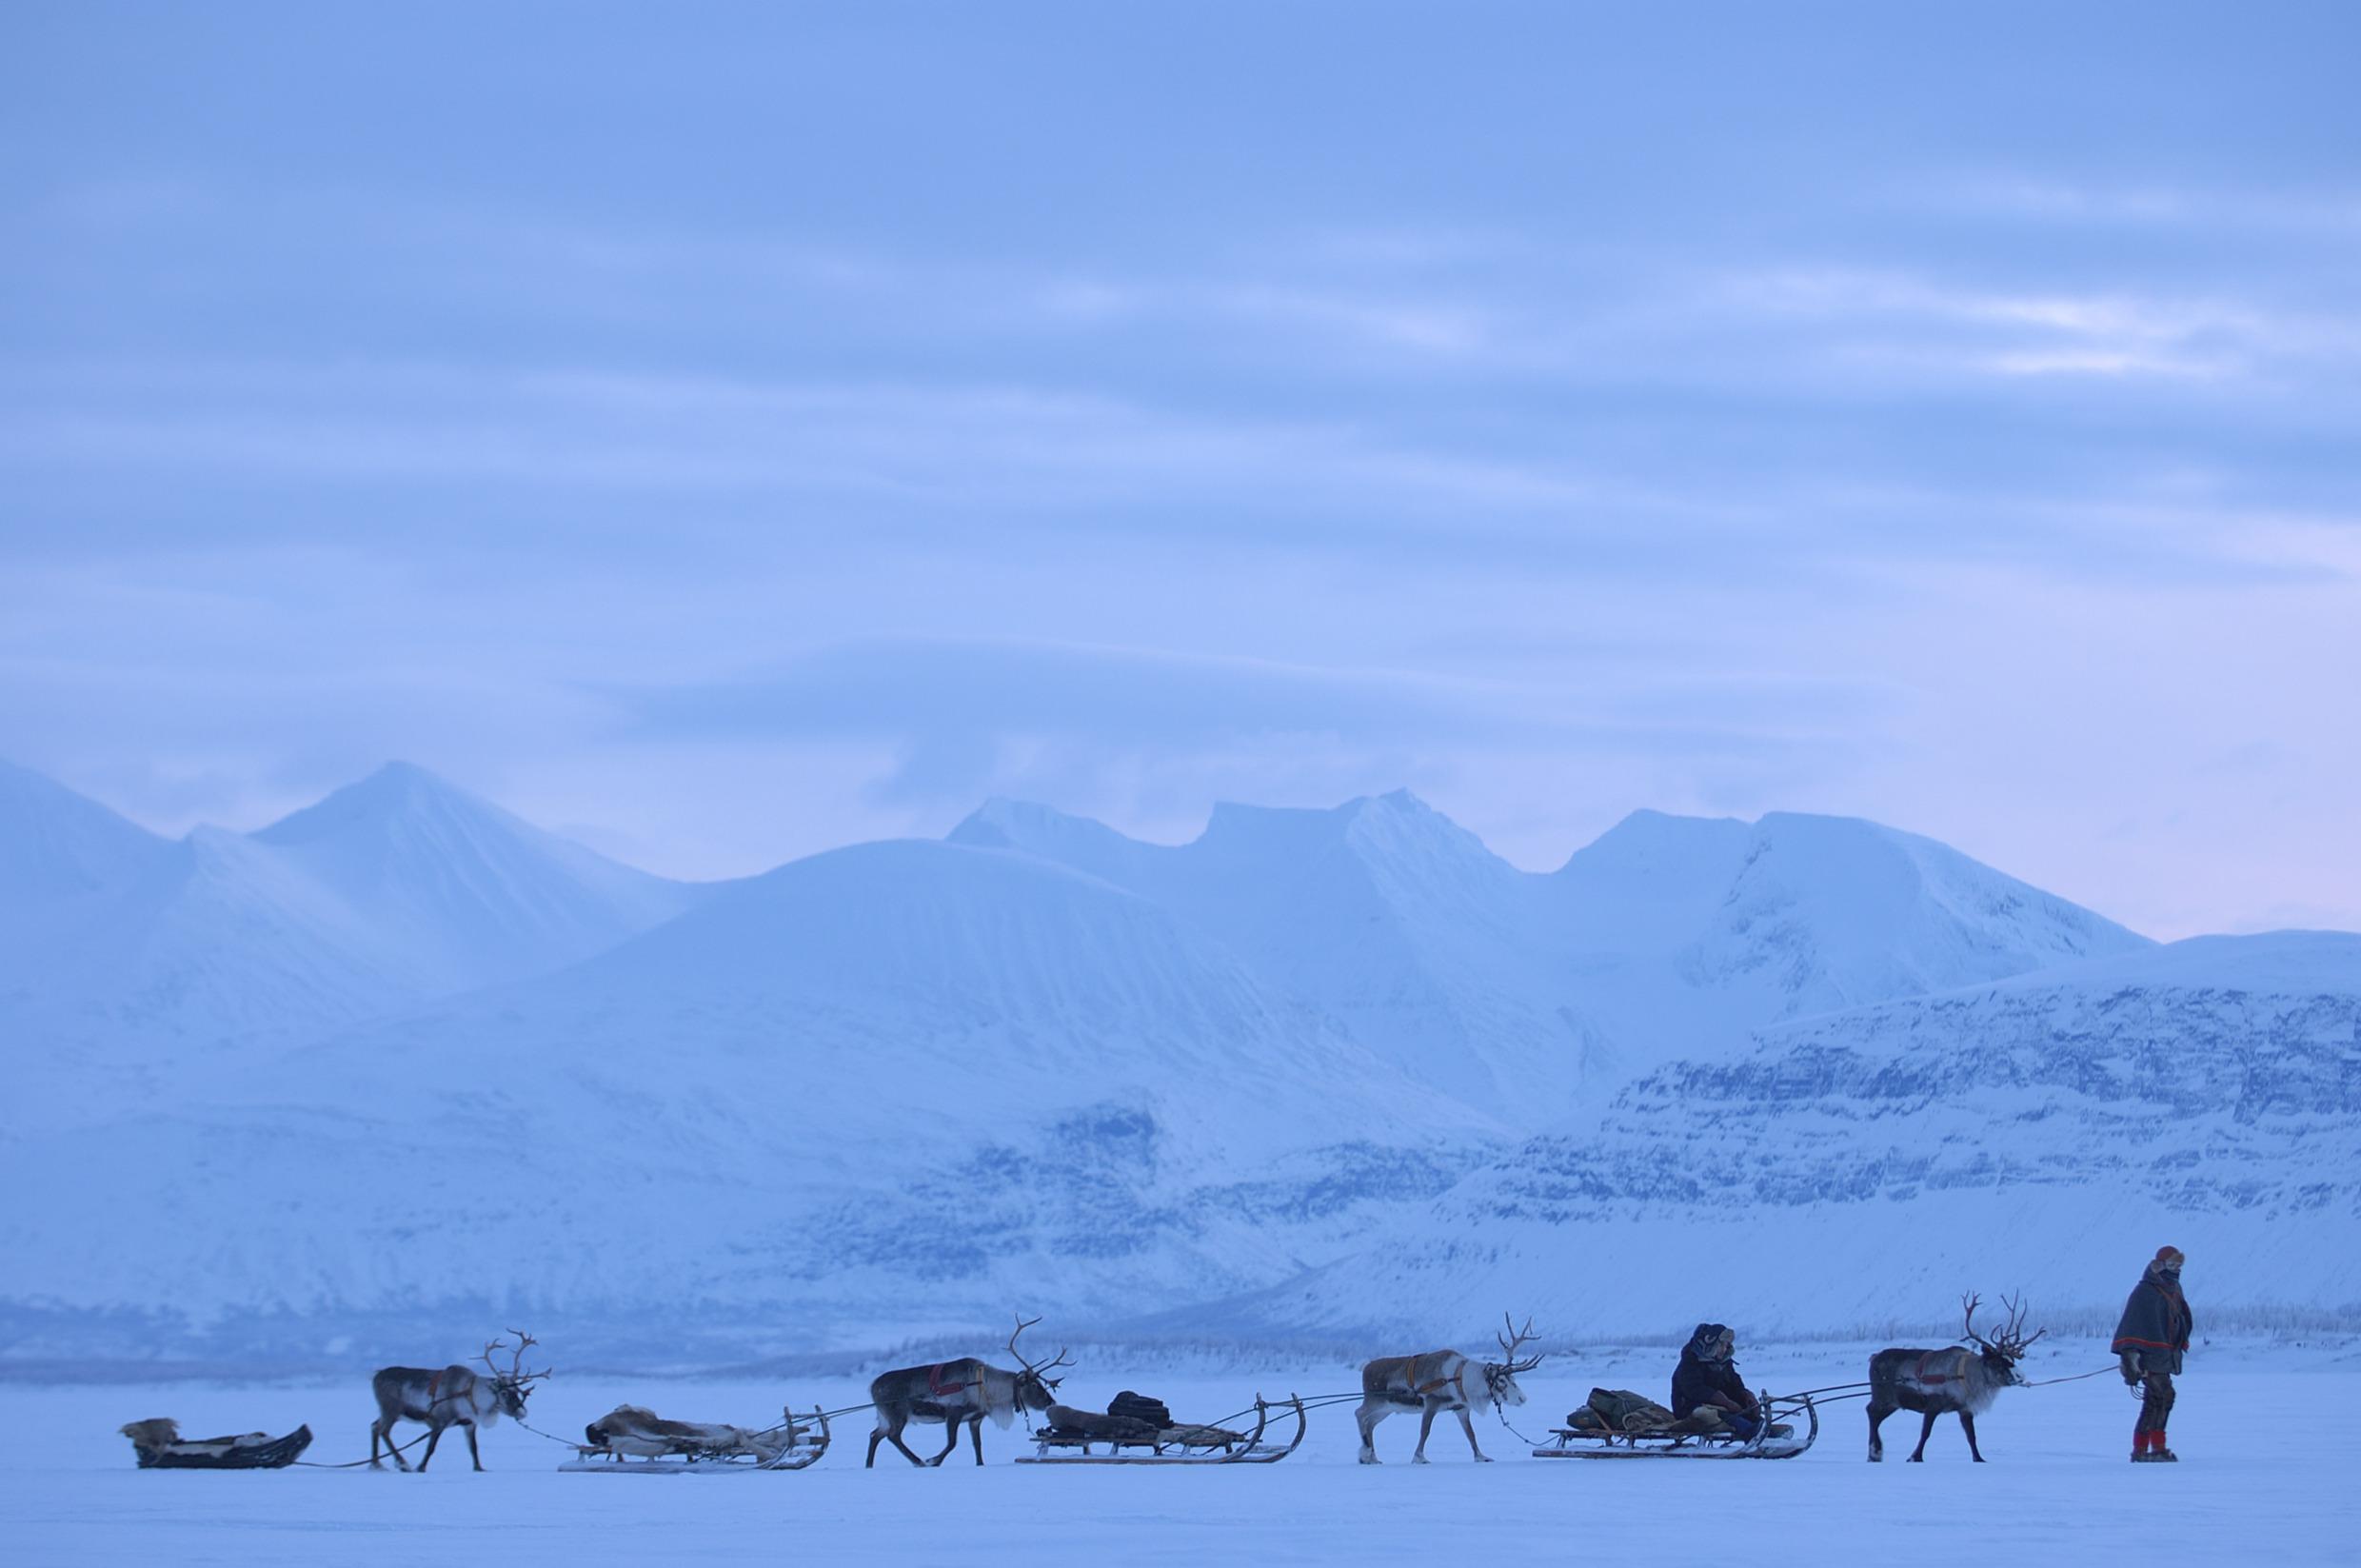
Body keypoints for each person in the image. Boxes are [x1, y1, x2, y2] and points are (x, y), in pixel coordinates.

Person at [2112, 1245, 2193, 1462]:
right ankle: (2149, 1449)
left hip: (2163, 1356)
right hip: (2148, 1358)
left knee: (2157, 1399)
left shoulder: (2174, 1289)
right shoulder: (2145, 1291)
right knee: (2162, 1396)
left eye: (2179, 1264)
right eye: (2172, 1264)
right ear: (2160, 1265)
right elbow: (2132, 1326)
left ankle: (2149, 1448)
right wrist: (2131, 1360)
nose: (2176, 1269)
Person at [1672, 1322, 1762, 1439]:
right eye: (1721, 1345)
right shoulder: (1690, 1362)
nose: (1724, 1349)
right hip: (1690, 1409)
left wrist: (1746, 1396)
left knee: (1747, 1413)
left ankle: (1763, 1429)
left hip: (1719, 1406)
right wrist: (1724, 1401)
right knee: (1727, 1417)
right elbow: (1695, 1390)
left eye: (1726, 1345)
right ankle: (1750, 1432)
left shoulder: (1724, 1363)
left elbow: (1734, 1384)